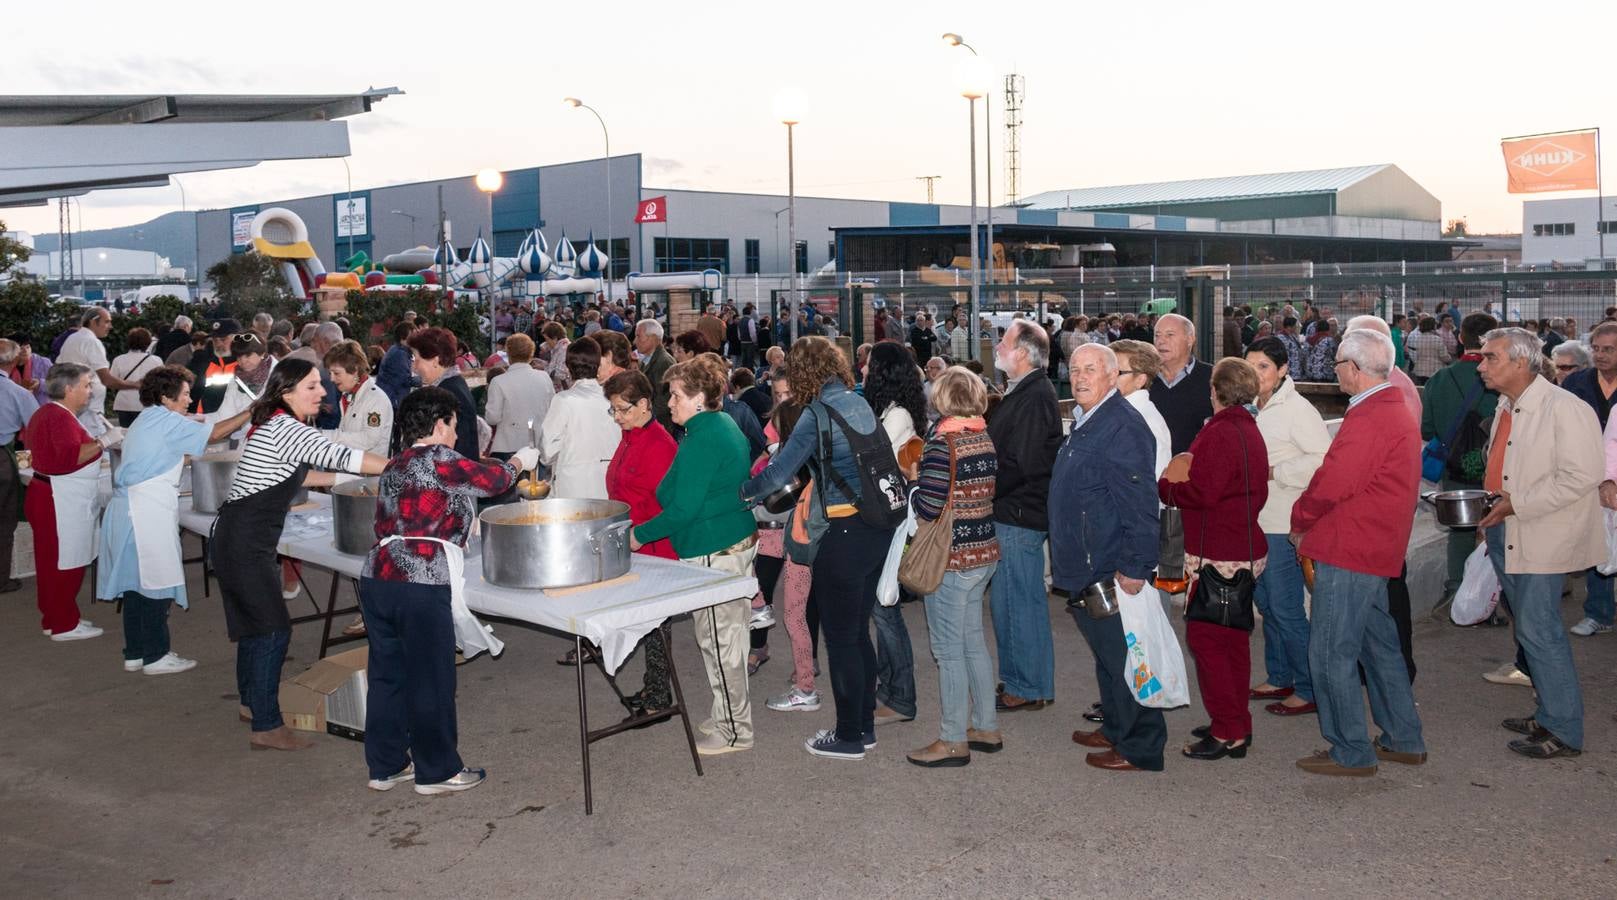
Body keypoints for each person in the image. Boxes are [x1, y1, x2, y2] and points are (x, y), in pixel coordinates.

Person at [361, 387, 537, 793]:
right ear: (439, 426)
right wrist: (521, 461)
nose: (456, 438)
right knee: (431, 678)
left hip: (377, 576)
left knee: (388, 675)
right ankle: (437, 771)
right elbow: (493, 481)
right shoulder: (440, 458)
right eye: (455, 428)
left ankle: (386, 764)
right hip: (420, 581)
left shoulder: (395, 465)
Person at [212, 359, 388, 751]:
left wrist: (359, 478)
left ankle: (251, 703)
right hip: (243, 542)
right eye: (311, 386)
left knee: (255, 626)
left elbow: (302, 475)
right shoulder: (284, 427)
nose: (322, 391)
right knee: (272, 628)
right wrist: (398, 467)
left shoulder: (278, 425)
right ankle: (266, 725)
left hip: (239, 539)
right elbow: (340, 455)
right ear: (286, 392)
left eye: (320, 384)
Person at [742, 336, 898, 761]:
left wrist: (742, 492)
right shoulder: (857, 400)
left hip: (843, 531)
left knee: (843, 639)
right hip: (875, 529)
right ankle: (862, 728)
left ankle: (849, 736)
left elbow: (778, 474)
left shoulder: (816, 414)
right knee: (858, 633)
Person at [1290, 329, 1426, 777]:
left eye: (1337, 366)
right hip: (1374, 546)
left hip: (1350, 546)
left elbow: (1334, 481)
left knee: (1330, 652)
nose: (1334, 372)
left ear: (1353, 368)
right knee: (1379, 646)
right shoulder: (1392, 406)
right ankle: (1403, 737)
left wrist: (1301, 517)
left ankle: (1350, 749)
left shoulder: (1371, 415)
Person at [1472, 327, 1602, 758]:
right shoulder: (1508, 404)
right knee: (1528, 627)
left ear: (1521, 362)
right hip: (1508, 528)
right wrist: (1491, 514)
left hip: (1543, 534)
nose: (1483, 365)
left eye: (1491, 357)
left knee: (1539, 629)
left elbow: (1581, 477)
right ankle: (1548, 713)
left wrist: (1515, 505)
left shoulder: (1565, 408)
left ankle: (1564, 729)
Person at [629, 355, 759, 756]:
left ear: (699, 397)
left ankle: (735, 730)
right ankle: (729, 715)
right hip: (721, 544)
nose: (669, 403)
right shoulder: (714, 426)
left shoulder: (703, 436)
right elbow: (676, 492)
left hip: (713, 550)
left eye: (676, 395)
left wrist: (639, 535)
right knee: (724, 641)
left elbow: (680, 505)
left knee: (721, 645)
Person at [1054, 344, 1164, 772]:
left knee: (1126, 659)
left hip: (1108, 565)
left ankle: (1142, 746)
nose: (1079, 377)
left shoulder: (1122, 426)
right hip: (1086, 563)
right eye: (1074, 369)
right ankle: (1117, 727)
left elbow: (1140, 503)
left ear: (1112, 375)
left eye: (1090, 370)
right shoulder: (1091, 419)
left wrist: (1137, 566)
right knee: (1107, 657)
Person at [98, 366, 250, 674]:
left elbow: (162, 455)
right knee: (157, 581)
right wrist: (251, 410)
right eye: (184, 395)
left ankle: (136, 653)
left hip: (131, 510)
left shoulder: (148, 418)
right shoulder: (166, 420)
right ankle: (156, 656)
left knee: (135, 586)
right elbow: (216, 433)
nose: (189, 401)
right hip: (145, 512)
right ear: (166, 398)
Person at [1159, 359, 1269, 760]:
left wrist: (1167, 488)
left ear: (1217, 390)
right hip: (1241, 546)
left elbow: (1203, 493)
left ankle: (1227, 730)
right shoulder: (1248, 429)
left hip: (1220, 553)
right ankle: (1235, 721)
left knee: (1208, 644)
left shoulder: (1221, 432)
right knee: (1232, 643)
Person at [904, 367, 1002, 768]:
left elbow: (928, 506)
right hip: (983, 553)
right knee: (973, 641)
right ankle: (985, 726)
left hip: (951, 559)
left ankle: (952, 738)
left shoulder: (943, 444)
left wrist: (912, 480)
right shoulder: (983, 436)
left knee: (948, 651)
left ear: (940, 399)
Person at [1243, 337, 1330, 716]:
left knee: (1286, 607)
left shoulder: (1297, 409)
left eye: (1263, 366)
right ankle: (1280, 675)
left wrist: (1276, 473)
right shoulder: (1252, 408)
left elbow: (1323, 459)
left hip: (1281, 522)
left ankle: (1310, 687)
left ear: (1282, 370)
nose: (1255, 374)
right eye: (1250, 366)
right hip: (1254, 522)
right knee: (1267, 604)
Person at [984, 320, 1063, 713]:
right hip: (1013, 511)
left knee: (1017, 603)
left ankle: (1026, 685)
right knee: (1011, 601)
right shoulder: (1025, 391)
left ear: (1023, 352)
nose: (998, 345)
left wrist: (985, 492)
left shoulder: (1033, 395)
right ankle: (1025, 681)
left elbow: (1024, 462)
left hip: (1017, 513)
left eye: (1005, 340)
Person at [601, 371, 679, 704]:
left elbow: (668, 506)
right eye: (613, 410)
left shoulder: (660, 444)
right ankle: (655, 690)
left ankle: (659, 697)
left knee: (657, 627)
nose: (617, 417)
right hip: (633, 543)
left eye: (622, 409)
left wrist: (639, 533)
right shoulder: (631, 434)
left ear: (644, 404)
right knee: (649, 626)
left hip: (653, 547)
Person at [25, 363, 118, 640]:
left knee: (53, 561)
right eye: (87, 385)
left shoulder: (51, 412)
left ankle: (55, 618)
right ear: (69, 389)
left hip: (51, 494)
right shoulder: (59, 417)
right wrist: (104, 441)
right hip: (58, 498)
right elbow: (68, 458)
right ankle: (63, 624)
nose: (90, 391)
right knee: (66, 562)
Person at [862, 341, 924, 727]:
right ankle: (888, 688)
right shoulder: (889, 410)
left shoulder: (897, 415)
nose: (863, 371)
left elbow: (869, 456)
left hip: (892, 522)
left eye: (869, 366)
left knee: (886, 611)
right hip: (885, 518)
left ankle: (901, 697)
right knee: (881, 609)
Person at [1420, 313, 1501, 608]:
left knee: (1460, 529)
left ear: (1460, 338)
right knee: (1499, 526)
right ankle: (1495, 593)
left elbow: (1426, 429)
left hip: (1454, 465)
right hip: (1496, 465)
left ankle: (1457, 588)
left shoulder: (1440, 379)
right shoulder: (1503, 377)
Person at [1559, 321, 1617, 638]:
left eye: (1608, 349)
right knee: (1598, 543)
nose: (1601, 355)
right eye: (1596, 349)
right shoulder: (1577, 383)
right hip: (1587, 474)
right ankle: (1599, 613)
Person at [539, 336, 619, 499]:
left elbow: (547, 452)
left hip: (574, 487)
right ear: (597, 366)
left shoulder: (563, 400)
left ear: (568, 367)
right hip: (610, 483)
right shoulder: (613, 399)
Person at [58, 307, 136, 436]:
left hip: (75, 407)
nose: (110, 326)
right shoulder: (92, 342)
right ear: (94, 322)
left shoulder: (71, 339)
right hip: (90, 411)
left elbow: (58, 367)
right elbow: (107, 380)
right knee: (98, 451)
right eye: (107, 322)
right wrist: (137, 385)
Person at [407, 327, 480, 461]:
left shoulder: (446, 393)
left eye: (417, 359)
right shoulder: (455, 384)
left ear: (435, 360)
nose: (414, 367)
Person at [0, 340, 38, 592]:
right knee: (4, 520)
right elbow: (37, 429)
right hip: (2, 458)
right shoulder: (18, 393)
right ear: (14, 362)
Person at [1147, 313, 1213, 455]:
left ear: (1190, 339)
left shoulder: (1213, 379)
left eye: (1169, 335)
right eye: (1157, 335)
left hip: (1195, 469)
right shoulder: (1143, 379)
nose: (1161, 341)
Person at [484, 334, 553, 463]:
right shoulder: (544, 377)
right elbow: (551, 411)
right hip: (538, 444)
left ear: (508, 354)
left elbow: (492, 418)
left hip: (507, 445)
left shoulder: (498, 381)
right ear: (531, 354)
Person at [1109, 339, 1172, 478]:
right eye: (1107, 370)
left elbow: (1154, 483)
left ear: (1140, 380)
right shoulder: (1116, 412)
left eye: (1118, 372)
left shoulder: (1147, 422)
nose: (1109, 378)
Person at [324, 340, 393, 458]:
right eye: (330, 373)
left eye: (336, 373)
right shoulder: (348, 395)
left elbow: (368, 439)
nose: (332, 379)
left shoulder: (376, 399)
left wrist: (327, 436)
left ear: (355, 370)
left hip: (370, 474)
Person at [109, 328, 162, 427]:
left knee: (126, 434)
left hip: (124, 403)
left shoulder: (119, 360)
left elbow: (112, 383)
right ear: (148, 342)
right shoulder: (156, 361)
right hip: (147, 403)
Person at [188, 318, 240, 415]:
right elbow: (193, 393)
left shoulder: (247, 364)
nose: (219, 344)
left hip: (237, 423)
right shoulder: (202, 362)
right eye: (215, 340)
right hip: (205, 422)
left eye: (223, 339)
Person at [634, 319, 675, 430]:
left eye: (638, 336)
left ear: (653, 338)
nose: (635, 341)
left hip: (658, 425)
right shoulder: (647, 359)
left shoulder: (663, 362)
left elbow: (664, 401)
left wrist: (644, 419)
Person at [376, 321, 416, 407]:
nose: (415, 339)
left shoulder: (398, 350)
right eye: (412, 336)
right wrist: (423, 380)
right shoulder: (400, 354)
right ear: (402, 338)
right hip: (393, 400)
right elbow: (405, 380)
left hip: (389, 398)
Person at [1404, 316, 1451, 384]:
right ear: (1433, 326)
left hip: (1419, 371)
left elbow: (1412, 353)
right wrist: (1450, 359)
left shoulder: (1416, 339)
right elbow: (1444, 357)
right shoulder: (1437, 340)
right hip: (1435, 371)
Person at [11, 334, 52, 406]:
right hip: (14, 407)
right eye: (21, 348)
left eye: (28, 347)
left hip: (40, 408)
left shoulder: (43, 363)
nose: (25, 351)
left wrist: (40, 384)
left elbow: (59, 385)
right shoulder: (6, 364)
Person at [539, 321, 572, 391]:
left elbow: (560, 374)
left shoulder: (564, 349)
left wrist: (544, 369)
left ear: (555, 338)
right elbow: (555, 365)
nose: (546, 342)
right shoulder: (559, 347)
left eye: (547, 339)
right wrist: (543, 364)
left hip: (564, 391)